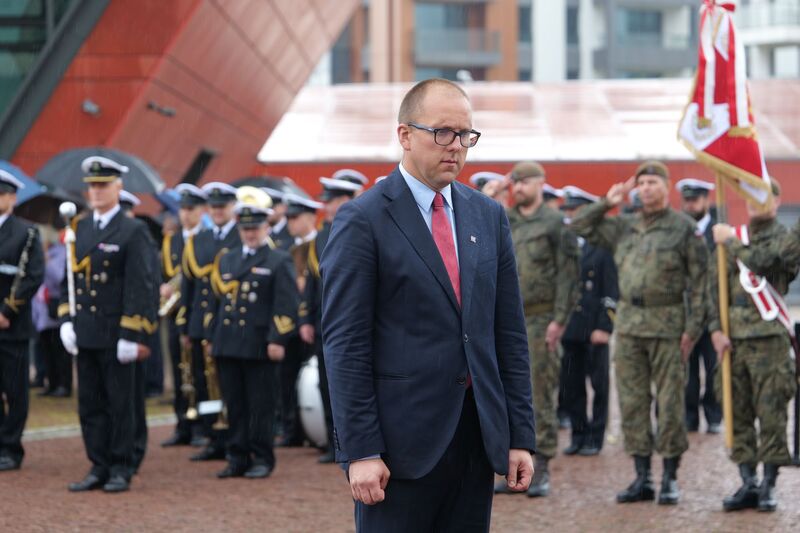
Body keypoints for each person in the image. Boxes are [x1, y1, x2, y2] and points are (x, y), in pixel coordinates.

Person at [321, 78, 535, 532]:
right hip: (398, 448)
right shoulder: (363, 219)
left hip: (476, 440)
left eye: (465, 134)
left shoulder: (487, 216)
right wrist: (361, 449)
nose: (455, 145)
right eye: (442, 132)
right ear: (404, 135)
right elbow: (346, 344)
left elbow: (508, 334)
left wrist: (519, 435)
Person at [570, 161, 707, 505]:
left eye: (652, 182)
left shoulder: (684, 229)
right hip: (630, 325)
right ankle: (642, 477)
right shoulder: (623, 226)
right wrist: (607, 201)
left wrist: (692, 330)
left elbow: (701, 284)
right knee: (632, 403)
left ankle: (670, 478)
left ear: (666, 186)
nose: (645, 188)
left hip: (668, 325)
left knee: (670, 404)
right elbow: (580, 225)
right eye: (641, 183)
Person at [58, 156, 156, 492]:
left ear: (118, 187)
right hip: (86, 330)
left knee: (120, 403)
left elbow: (140, 284)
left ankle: (121, 466)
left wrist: (132, 333)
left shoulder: (133, 230)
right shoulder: (80, 228)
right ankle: (98, 464)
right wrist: (66, 319)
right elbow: (69, 279)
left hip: (116, 332)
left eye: (103, 185)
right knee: (90, 404)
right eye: (93, 186)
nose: (97, 191)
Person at [707, 180, 797, 512]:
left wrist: (729, 241)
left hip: (769, 341)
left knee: (771, 414)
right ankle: (748, 482)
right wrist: (715, 330)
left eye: (763, 196)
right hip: (734, 343)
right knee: (737, 413)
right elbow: (712, 289)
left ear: (777, 202)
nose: (755, 202)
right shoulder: (731, 237)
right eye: (750, 196)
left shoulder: (785, 239)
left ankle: (769, 485)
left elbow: (764, 261)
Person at [499, 161, 578, 498]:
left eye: (525, 182)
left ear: (540, 184)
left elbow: (568, 275)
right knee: (503, 393)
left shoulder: (555, 223)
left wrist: (559, 320)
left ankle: (541, 466)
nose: (518, 188)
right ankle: (510, 466)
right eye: (514, 183)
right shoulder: (504, 219)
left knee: (539, 394)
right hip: (504, 320)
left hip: (541, 320)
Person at [211, 193, 299, 479]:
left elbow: (286, 303)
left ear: (266, 228)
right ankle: (237, 456)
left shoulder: (278, 259)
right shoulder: (228, 259)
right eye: (245, 228)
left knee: (260, 405)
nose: (250, 233)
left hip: (260, 343)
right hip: (228, 343)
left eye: (255, 228)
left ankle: (261, 457)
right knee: (234, 404)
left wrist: (278, 338)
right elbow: (218, 301)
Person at [296, 181, 357, 461]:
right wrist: (306, 319)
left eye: (332, 200)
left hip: (352, 319)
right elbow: (312, 280)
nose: (327, 206)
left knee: (351, 383)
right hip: (324, 320)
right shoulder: (321, 235)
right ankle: (334, 443)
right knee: (326, 383)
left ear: (346, 199)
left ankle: (353, 442)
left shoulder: (360, 225)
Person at [180, 181, 240, 462]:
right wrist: (185, 327)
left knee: (229, 384)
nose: (218, 211)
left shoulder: (242, 236)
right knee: (204, 384)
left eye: (222, 206)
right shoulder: (198, 239)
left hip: (229, 324)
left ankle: (234, 438)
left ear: (232, 207)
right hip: (199, 324)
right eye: (214, 207)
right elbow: (189, 287)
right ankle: (212, 436)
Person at [558, 186, 617, 457]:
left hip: (595, 327)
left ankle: (596, 436)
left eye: (575, 210)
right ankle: (578, 434)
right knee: (572, 385)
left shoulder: (603, 247)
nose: (571, 215)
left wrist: (605, 326)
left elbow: (612, 290)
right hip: (571, 327)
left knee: (599, 386)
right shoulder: (566, 245)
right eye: (568, 210)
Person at [0, 170, 44, 472]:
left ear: (12, 198)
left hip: (11, 325)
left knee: (15, 390)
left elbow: (32, 276)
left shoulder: (26, 232)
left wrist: (6, 312)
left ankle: (11, 447)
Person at [276, 193, 325, 448]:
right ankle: (292, 428)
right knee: (288, 377)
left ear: (310, 217)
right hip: (291, 321)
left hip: (313, 320)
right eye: (288, 217)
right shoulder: (288, 247)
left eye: (295, 217)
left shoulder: (319, 243)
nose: (290, 223)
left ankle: (315, 431)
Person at [161, 184, 207, 447]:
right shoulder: (172, 241)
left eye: (191, 209)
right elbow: (164, 273)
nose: (186, 214)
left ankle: (202, 426)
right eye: (183, 209)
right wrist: (164, 287)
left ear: (201, 211)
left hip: (198, 315)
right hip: (175, 314)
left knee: (199, 372)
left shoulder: (207, 239)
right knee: (180, 370)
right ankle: (182, 424)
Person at [676, 178, 722, 434]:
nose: (690, 205)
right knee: (687, 371)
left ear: (706, 200)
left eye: (695, 200)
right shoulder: (678, 232)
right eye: (687, 200)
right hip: (685, 313)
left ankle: (713, 415)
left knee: (714, 369)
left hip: (713, 313)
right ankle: (689, 416)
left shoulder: (719, 233)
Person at [263, 187, 292, 251]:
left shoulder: (291, 231)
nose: (267, 212)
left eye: (271, 207)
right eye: (265, 208)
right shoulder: (261, 230)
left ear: (283, 208)